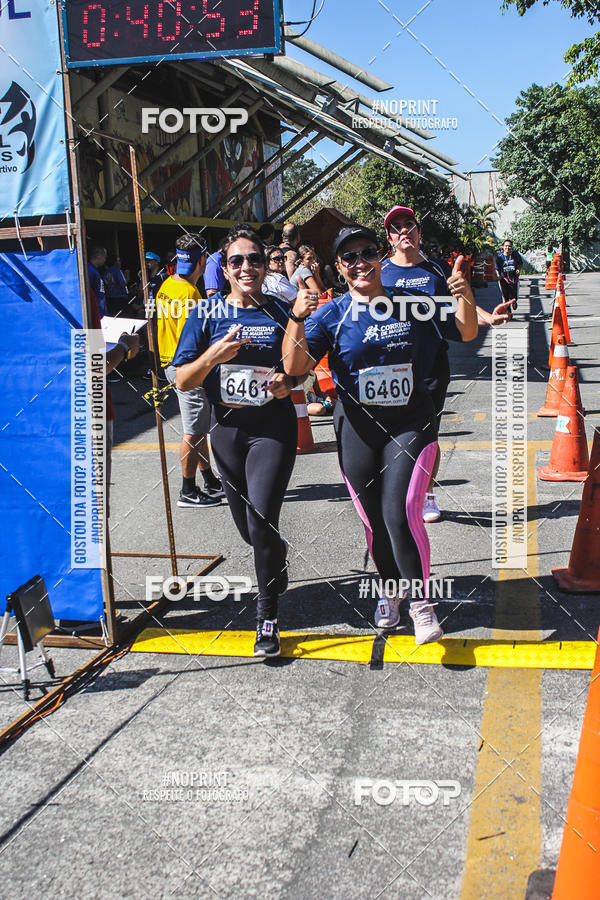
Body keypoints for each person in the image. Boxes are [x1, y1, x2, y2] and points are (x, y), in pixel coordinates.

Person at [282, 224, 478, 644]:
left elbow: (465, 332)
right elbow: (296, 367)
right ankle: (390, 590)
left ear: (380, 256)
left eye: (367, 252)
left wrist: (462, 293)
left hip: (410, 423)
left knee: (401, 513)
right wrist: (297, 316)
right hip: (357, 429)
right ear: (339, 267)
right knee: (373, 521)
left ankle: (422, 605)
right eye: (349, 258)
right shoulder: (331, 314)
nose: (360, 263)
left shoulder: (415, 304)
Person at [173, 225, 302, 658]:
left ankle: (267, 617)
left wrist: (289, 381)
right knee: (251, 532)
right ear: (224, 269)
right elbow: (182, 379)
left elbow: (297, 365)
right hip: (225, 434)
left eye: (255, 259)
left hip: (272, 431)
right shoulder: (205, 315)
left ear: (267, 266)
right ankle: (275, 551)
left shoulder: (280, 311)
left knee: (262, 519)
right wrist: (214, 355)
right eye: (237, 260)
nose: (247, 267)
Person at [381, 204, 512, 523]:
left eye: (408, 225)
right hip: (390, 370)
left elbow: (459, 306)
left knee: (427, 436)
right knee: (389, 435)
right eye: (396, 227)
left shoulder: (438, 270)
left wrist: (486, 317)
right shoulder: (379, 272)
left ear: (418, 231)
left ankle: (426, 494)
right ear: (389, 237)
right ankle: (393, 490)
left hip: (431, 367)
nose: (403, 232)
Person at [156, 234, 224, 507]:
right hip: (187, 367)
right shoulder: (191, 295)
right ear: (203, 260)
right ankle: (187, 489)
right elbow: (199, 336)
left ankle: (208, 478)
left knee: (199, 427)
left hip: (170, 362)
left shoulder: (166, 286)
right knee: (194, 430)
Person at [495, 239, 522, 312]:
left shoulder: (515, 255)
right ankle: (508, 312)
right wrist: (498, 276)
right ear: (503, 247)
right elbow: (497, 268)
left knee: (514, 296)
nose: (507, 248)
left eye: (509, 246)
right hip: (504, 279)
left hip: (514, 278)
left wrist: (518, 270)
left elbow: (520, 264)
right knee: (505, 297)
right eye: (506, 246)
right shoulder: (500, 257)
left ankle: (514, 302)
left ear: (511, 247)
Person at [88, 245, 107, 317]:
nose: (105, 260)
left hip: (100, 313)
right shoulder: (90, 271)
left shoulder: (95, 271)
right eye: (104, 257)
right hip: (95, 313)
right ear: (99, 256)